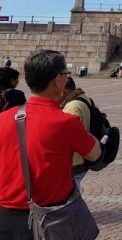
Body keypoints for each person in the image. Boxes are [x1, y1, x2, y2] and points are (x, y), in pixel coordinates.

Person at [0, 50, 101, 239]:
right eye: (66, 74)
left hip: (4, 216)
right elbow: (95, 154)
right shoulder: (65, 123)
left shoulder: (4, 118)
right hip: (49, 218)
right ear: (57, 80)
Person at [60, 77, 97, 190]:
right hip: (81, 162)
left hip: (74, 164)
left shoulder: (72, 107)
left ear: (63, 91)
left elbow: (65, 136)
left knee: (70, 202)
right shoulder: (84, 98)